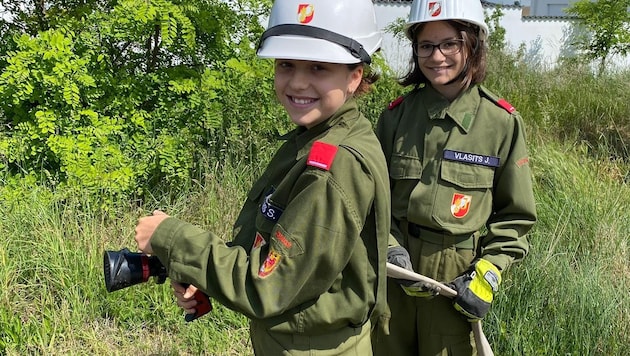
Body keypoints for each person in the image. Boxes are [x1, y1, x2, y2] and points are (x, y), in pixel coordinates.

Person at [134, 0, 391, 354]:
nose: (298, 82)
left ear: (354, 75)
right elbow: (274, 251)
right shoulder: (315, 136)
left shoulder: (334, 164)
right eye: (286, 64)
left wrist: (172, 238)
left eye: (318, 67)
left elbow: (270, 287)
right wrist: (208, 278)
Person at [371, 0, 537, 355]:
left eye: (450, 44)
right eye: (426, 46)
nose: (437, 56)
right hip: (394, 271)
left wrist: (487, 274)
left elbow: (516, 216)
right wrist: (389, 248)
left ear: (472, 44)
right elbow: (371, 196)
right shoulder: (395, 118)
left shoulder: (501, 123)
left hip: (456, 276)